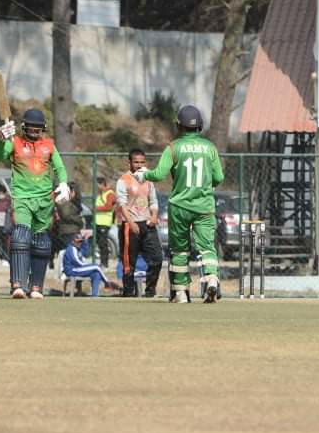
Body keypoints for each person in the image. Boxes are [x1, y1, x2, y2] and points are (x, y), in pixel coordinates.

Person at [136, 105, 223, 304]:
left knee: (180, 250)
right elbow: (219, 177)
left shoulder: (173, 148)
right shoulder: (210, 148)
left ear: (179, 125)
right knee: (207, 247)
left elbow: (159, 174)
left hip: (179, 207)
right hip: (204, 206)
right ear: (200, 125)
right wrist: (206, 185)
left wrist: (145, 174)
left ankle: (181, 292)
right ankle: (211, 279)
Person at [0, 108, 70, 299]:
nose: (35, 131)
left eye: (38, 128)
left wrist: (63, 183)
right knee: (20, 236)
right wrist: (1, 140)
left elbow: (59, 167)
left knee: (41, 242)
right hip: (22, 197)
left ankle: (36, 287)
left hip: (44, 200)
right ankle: (18, 285)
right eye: (31, 127)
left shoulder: (49, 145)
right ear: (24, 127)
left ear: (43, 128)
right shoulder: (15, 142)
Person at [116, 148, 163, 297]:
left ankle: (150, 291)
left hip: (147, 225)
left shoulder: (148, 178)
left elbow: (153, 201)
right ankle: (128, 293)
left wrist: (154, 216)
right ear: (129, 162)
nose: (139, 165)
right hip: (130, 225)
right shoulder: (124, 180)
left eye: (142, 162)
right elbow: (122, 205)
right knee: (129, 263)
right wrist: (131, 222)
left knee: (157, 258)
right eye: (136, 162)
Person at [94, 176, 116, 268]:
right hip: (98, 222)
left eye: (98, 185)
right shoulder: (101, 194)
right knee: (99, 243)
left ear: (102, 184)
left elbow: (109, 207)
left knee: (103, 243)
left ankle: (104, 263)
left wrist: (97, 209)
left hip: (105, 222)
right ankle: (102, 262)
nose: (97, 187)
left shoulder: (109, 194)